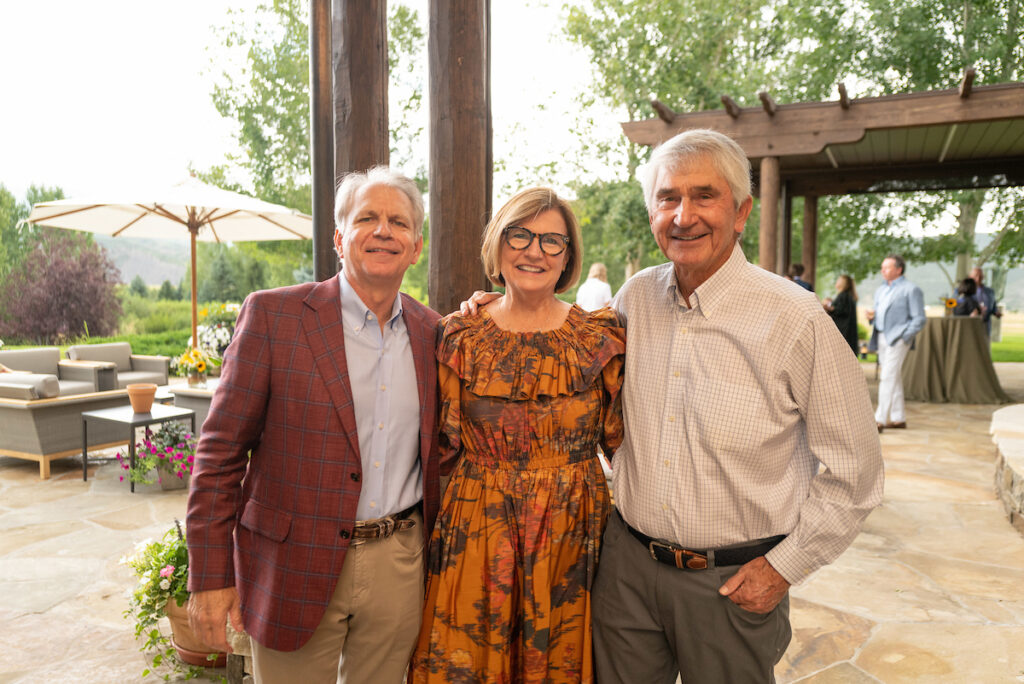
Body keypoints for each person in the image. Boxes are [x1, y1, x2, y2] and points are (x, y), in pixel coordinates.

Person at [460, 129, 883, 682]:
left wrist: (784, 568)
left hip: (730, 583)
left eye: (704, 196)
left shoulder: (796, 319)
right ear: (653, 212)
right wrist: (499, 307)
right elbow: (565, 340)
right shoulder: (635, 299)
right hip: (626, 574)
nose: (684, 215)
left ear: (741, 211)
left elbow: (857, 473)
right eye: (668, 198)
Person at [185, 167, 442, 683]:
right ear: (339, 238)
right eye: (367, 217)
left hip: (399, 562)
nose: (383, 231)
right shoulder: (273, 317)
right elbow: (219, 454)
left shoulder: (434, 333)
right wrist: (210, 576)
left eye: (398, 221)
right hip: (293, 563)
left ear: (416, 246)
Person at [409, 188, 625, 682]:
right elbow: (437, 450)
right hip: (477, 535)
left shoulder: (601, 339)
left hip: (573, 539)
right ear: (498, 245)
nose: (534, 251)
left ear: (569, 257)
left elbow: (624, 446)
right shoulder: (458, 335)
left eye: (553, 241)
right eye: (521, 235)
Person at [867, 254, 926, 432]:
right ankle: (898, 418)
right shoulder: (881, 290)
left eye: (887, 267)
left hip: (898, 338)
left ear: (898, 269)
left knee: (887, 376)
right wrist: (872, 317)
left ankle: (879, 419)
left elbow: (919, 319)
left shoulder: (911, 289)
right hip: (881, 336)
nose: (882, 271)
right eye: (882, 267)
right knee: (893, 376)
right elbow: (880, 312)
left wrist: (904, 336)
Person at [823, 274, 860, 355]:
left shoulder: (843, 296)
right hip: (849, 333)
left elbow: (841, 311)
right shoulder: (849, 296)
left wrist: (830, 309)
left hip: (844, 333)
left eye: (839, 280)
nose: (837, 282)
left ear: (843, 283)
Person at [970, 266, 1002, 338]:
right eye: (976, 276)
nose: (978, 278)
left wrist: (996, 312)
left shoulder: (990, 291)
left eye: (980, 276)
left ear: (983, 277)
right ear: (970, 277)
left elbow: (994, 307)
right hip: (970, 325)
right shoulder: (965, 291)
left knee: (985, 348)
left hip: (986, 326)